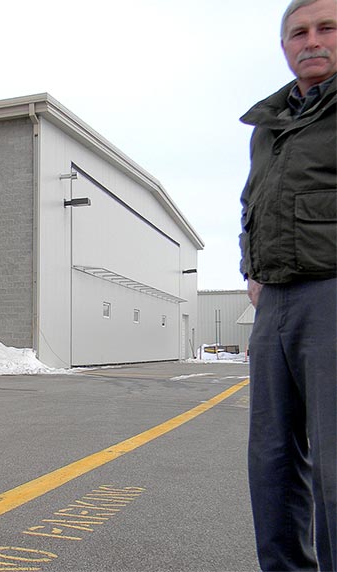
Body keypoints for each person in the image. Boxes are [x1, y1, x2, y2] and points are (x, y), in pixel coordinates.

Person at [239, 0, 337, 569]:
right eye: (298, 32)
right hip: (274, 297)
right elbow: (252, 202)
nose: (312, 40)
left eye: (326, 28)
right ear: (284, 47)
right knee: (272, 459)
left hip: (330, 292)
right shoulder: (268, 126)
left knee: (334, 462)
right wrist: (249, 270)